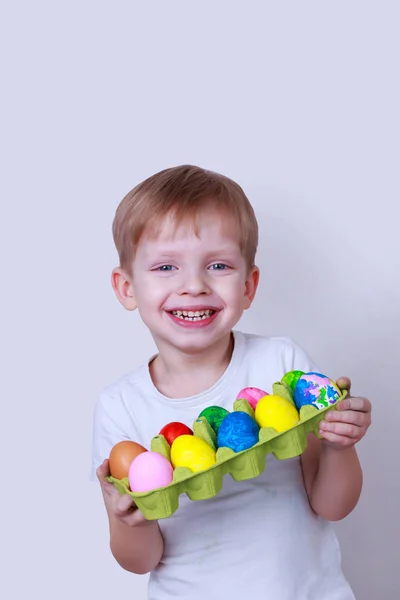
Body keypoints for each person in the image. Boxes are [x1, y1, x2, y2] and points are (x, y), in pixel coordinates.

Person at [91, 165, 372, 600]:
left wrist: (339, 446)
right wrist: (132, 520)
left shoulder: (283, 364)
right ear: (127, 287)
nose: (193, 286)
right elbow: (140, 561)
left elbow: (331, 505)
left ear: (248, 285)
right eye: (166, 266)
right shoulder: (121, 407)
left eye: (218, 265)